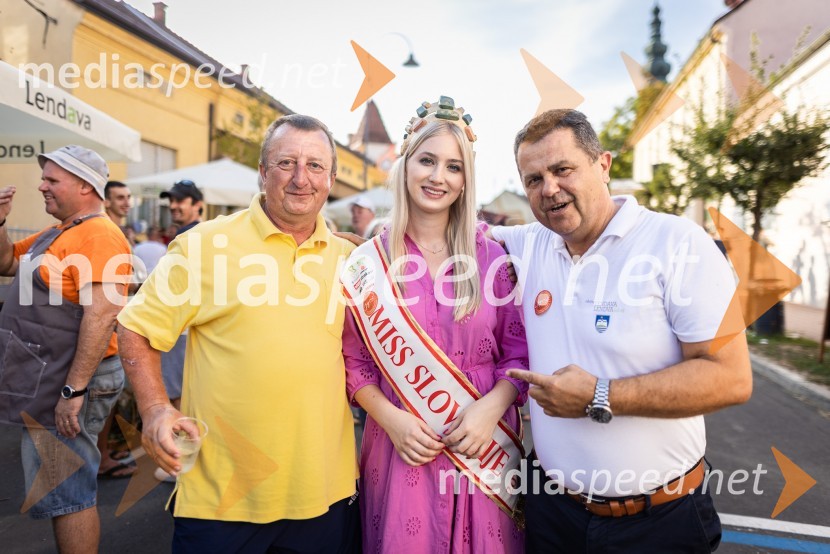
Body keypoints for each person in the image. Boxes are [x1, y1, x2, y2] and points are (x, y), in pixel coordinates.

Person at [491, 109, 752, 553]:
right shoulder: (526, 243)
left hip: (659, 524)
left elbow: (732, 377)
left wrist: (600, 395)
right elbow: (435, 234)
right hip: (551, 514)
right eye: (533, 179)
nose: (549, 189)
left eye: (562, 169)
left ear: (604, 165)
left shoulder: (680, 243)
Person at [117, 114, 360, 553]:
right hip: (222, 501)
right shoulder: (203, 245)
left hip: (324, 494)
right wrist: (153, 409)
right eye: (286, 163)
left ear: (331, 179)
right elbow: (135, 327)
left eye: (315, 166)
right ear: (263, 172)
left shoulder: (352, 260)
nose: (301, 178)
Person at [342, 97, 529, 553]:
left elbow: (518, 353)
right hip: (401, 445)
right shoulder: (369, 263)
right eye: (427, 160)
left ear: (465, 181)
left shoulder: (492, 257)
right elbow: (353, 361)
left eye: (453, 166)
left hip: (483, 446)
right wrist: (391, 420)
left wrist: (490, 410)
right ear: (405, 165)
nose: (438, 176)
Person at [0, 145, 131, 552]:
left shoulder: (99, 234)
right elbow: (6, 263)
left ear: (85, 186)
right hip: (58, 374)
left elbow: (102, 316)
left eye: (52, 180)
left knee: (68, 494)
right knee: (61, 492)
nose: (41, 186)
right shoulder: (60, 231)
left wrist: (73, 391)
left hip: (75, 379)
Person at [152, 181, 204, 481]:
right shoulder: (188, 234)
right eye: (171, 200)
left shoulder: (194, 236)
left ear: (197, 205)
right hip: (183, 328)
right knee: (182, 396)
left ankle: (183, 463)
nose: (174, 206)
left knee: (180, 399)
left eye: (181, 200)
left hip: (183, 329)